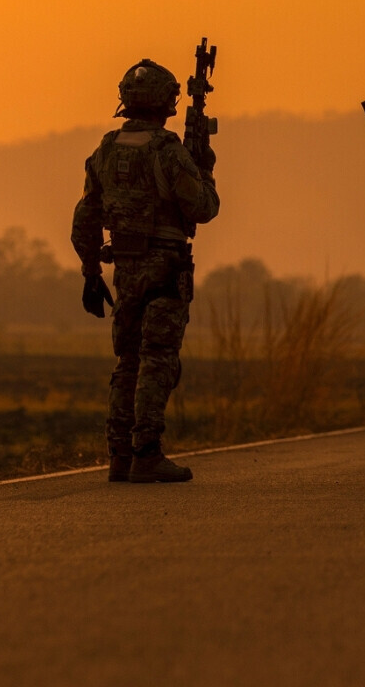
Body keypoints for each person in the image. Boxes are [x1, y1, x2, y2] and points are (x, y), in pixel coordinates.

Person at [72, 59, 221, 484]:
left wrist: (89, 272)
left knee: (128, 360)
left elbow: (85, 217)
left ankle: (119, 455)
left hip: (125, 267)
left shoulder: (105, 149)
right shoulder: (169, 152)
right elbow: (204, 208)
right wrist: (205, 167)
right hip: (164, 267)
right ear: (165, 103)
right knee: (157, 361)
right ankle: (147, 452)